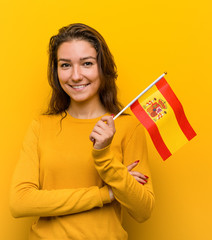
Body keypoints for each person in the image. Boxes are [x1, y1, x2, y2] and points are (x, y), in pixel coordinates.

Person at [9, 23, 154, 240]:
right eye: (65, 65)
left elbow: (142, 210)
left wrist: (105, 157)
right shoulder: (41, 126)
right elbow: (20, 202)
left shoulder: (127, 127)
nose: (76, 76)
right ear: (56, 71)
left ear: (102, 68)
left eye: (87, 63)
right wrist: (107, 193)